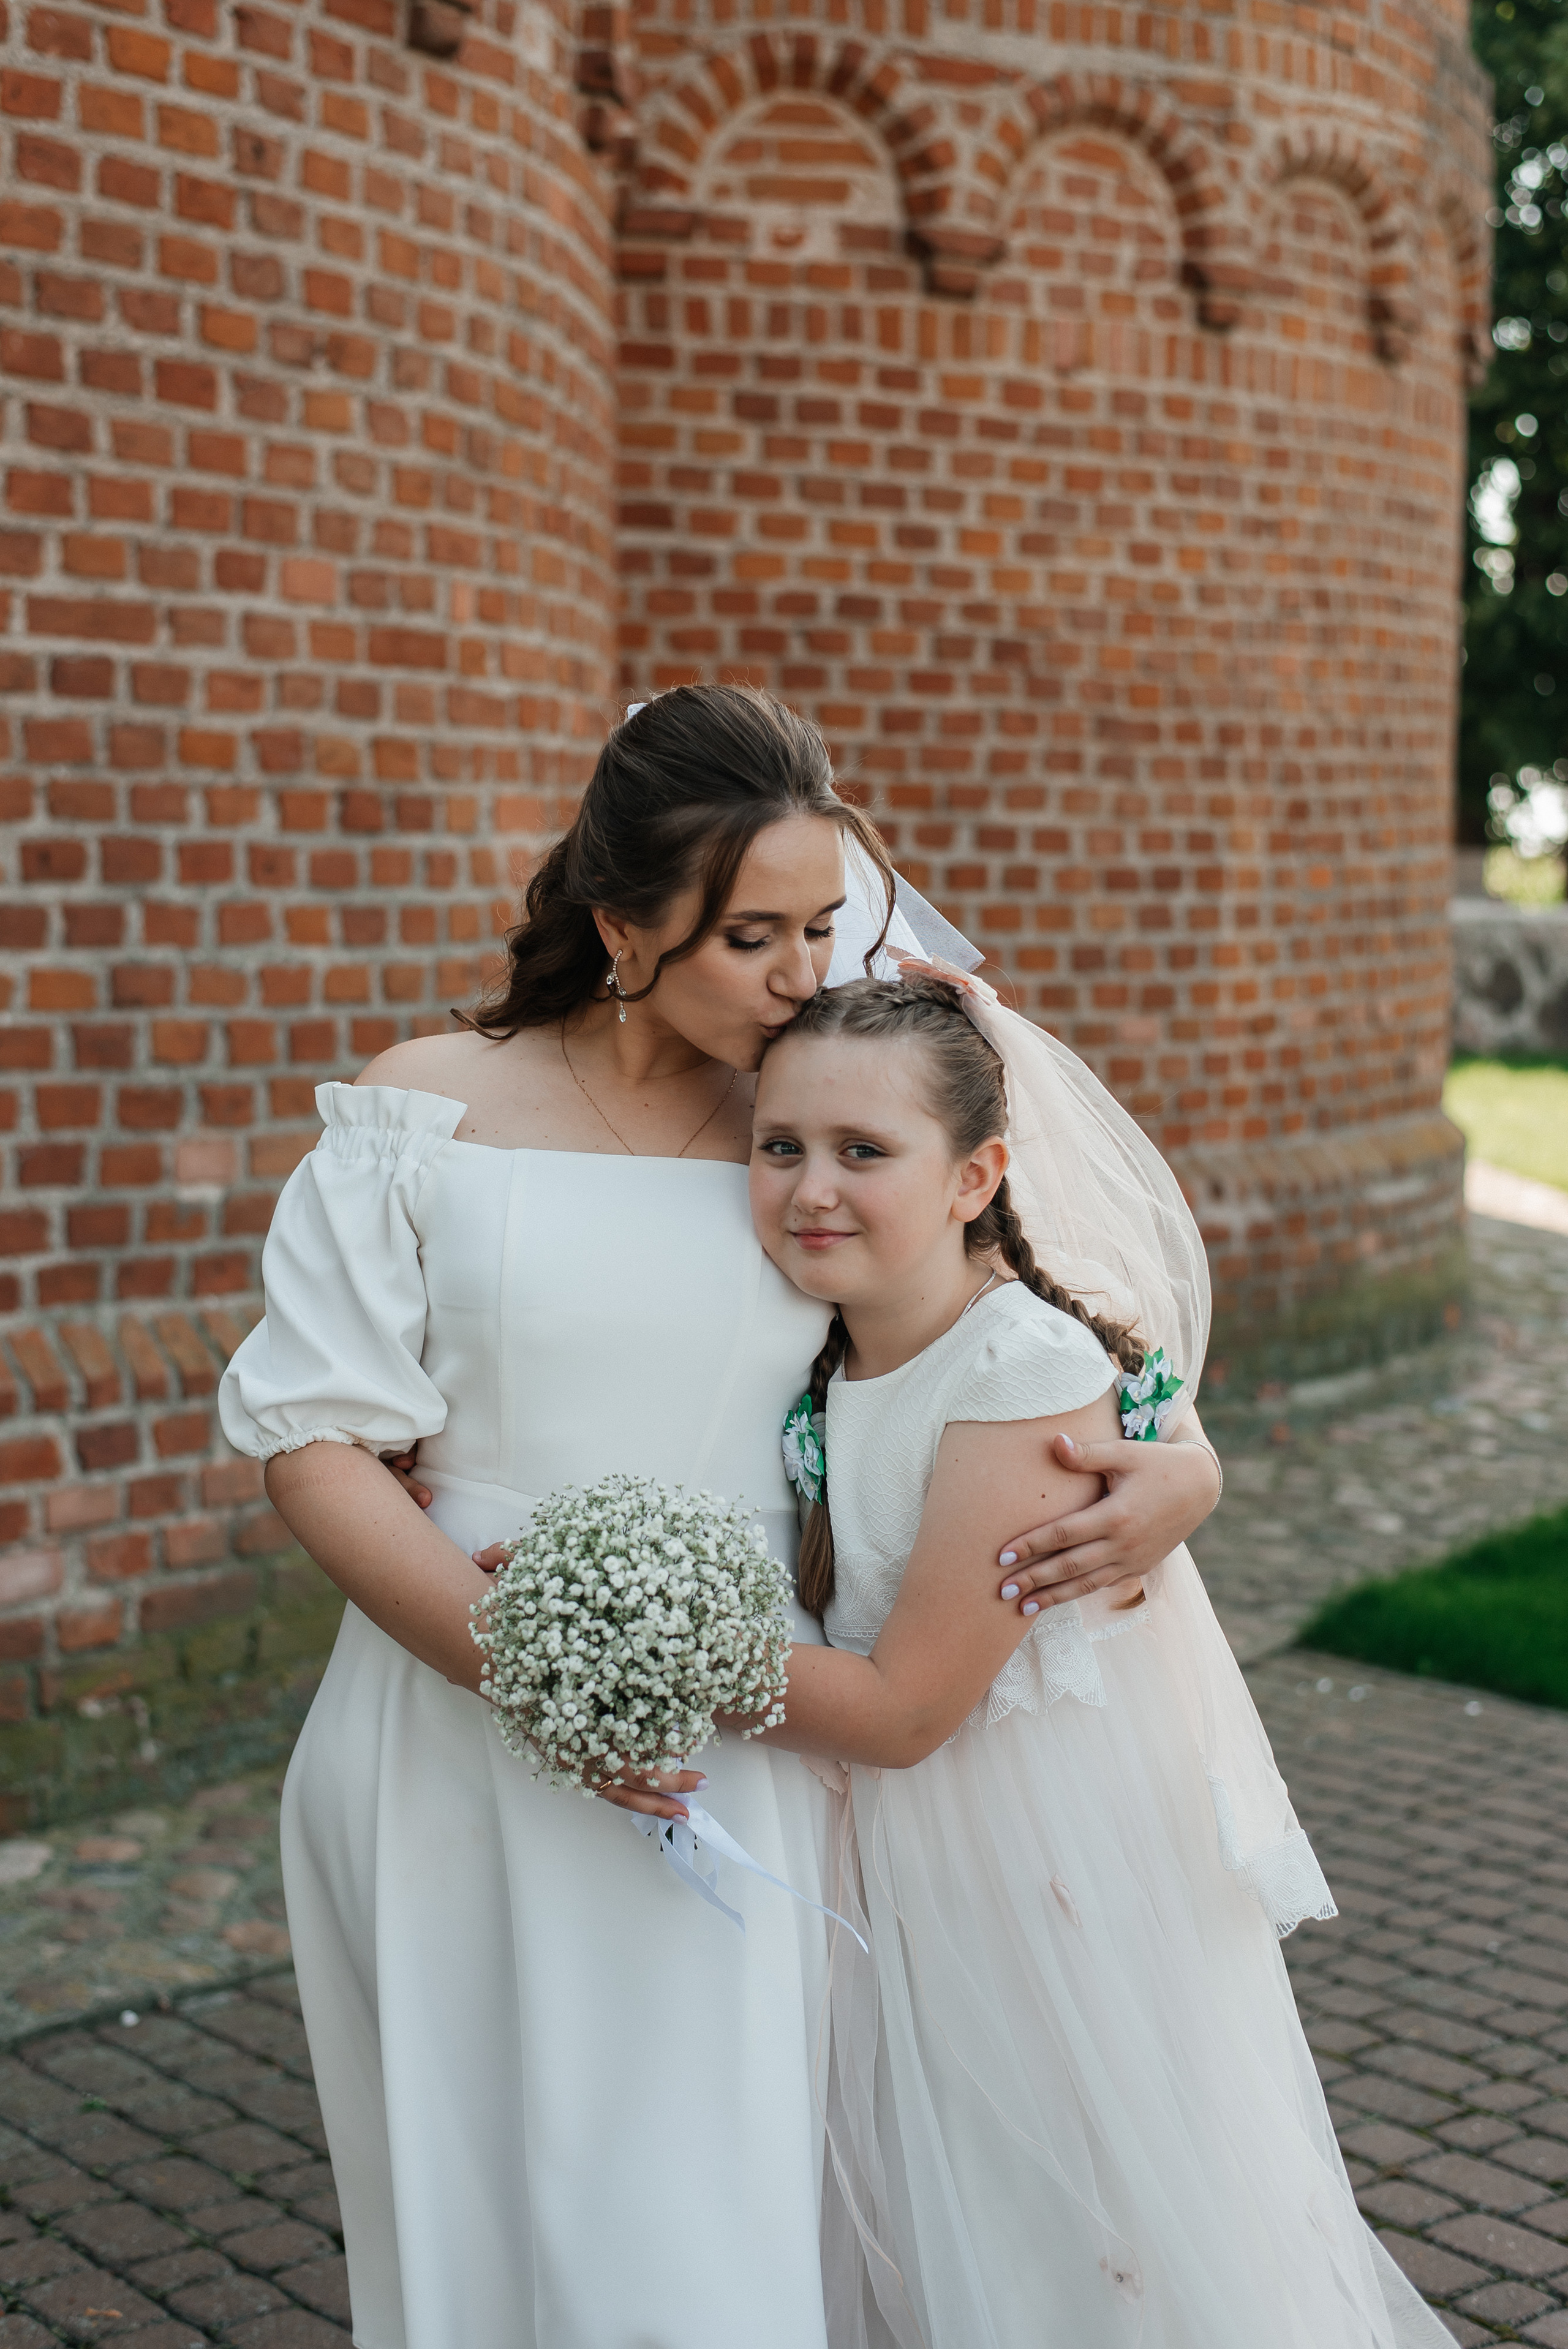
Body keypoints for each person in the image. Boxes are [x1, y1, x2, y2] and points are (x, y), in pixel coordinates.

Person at [217, 687, 1223, 2349]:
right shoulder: (423, 1106)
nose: (802, 972)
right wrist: (533, 1666)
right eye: (751, 935)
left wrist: (1179, 1462)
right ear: (622, 925)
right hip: (438, 1717)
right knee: (457, 2222)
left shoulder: (831, 1102)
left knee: (691, 2242)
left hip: (729, 1735)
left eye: (822, 924)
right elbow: (314, 1435)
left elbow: (1041, 1321)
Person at [739, 970, 1454, 2349]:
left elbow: (903, 1710)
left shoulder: (1013, 1368)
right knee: (963, 2212)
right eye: (782, 1145)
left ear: (976, 1176)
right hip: (902, 1857)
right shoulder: (829, 1349)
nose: (811, 1188)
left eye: (862, 1150)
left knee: (1080, 2231)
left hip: (1035, 1866)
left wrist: (651, 1649)